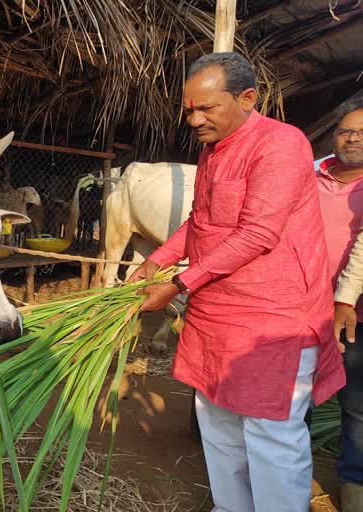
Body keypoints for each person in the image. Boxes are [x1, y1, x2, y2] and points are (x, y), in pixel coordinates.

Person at [128, 52, 346, 511]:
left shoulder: (281, 145)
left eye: (207, 108)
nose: (195, 119)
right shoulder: (211, 150)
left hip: (273, 320)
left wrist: (180, 283)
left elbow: (259, 232)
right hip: (216, 315)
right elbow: (200, 220)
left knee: (271, 434)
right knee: (218, 422)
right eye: (189, 109)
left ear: (247, 98)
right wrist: (160, 259)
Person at [320, 103, 363, 511]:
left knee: (357, 409)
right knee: (292, 398)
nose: (353, 138)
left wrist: (345, 299)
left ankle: (354, 494)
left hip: (355, 319)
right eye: (346, 131)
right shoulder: (309, 176)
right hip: (301, 311)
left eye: (362, 132)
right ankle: (286, 478)